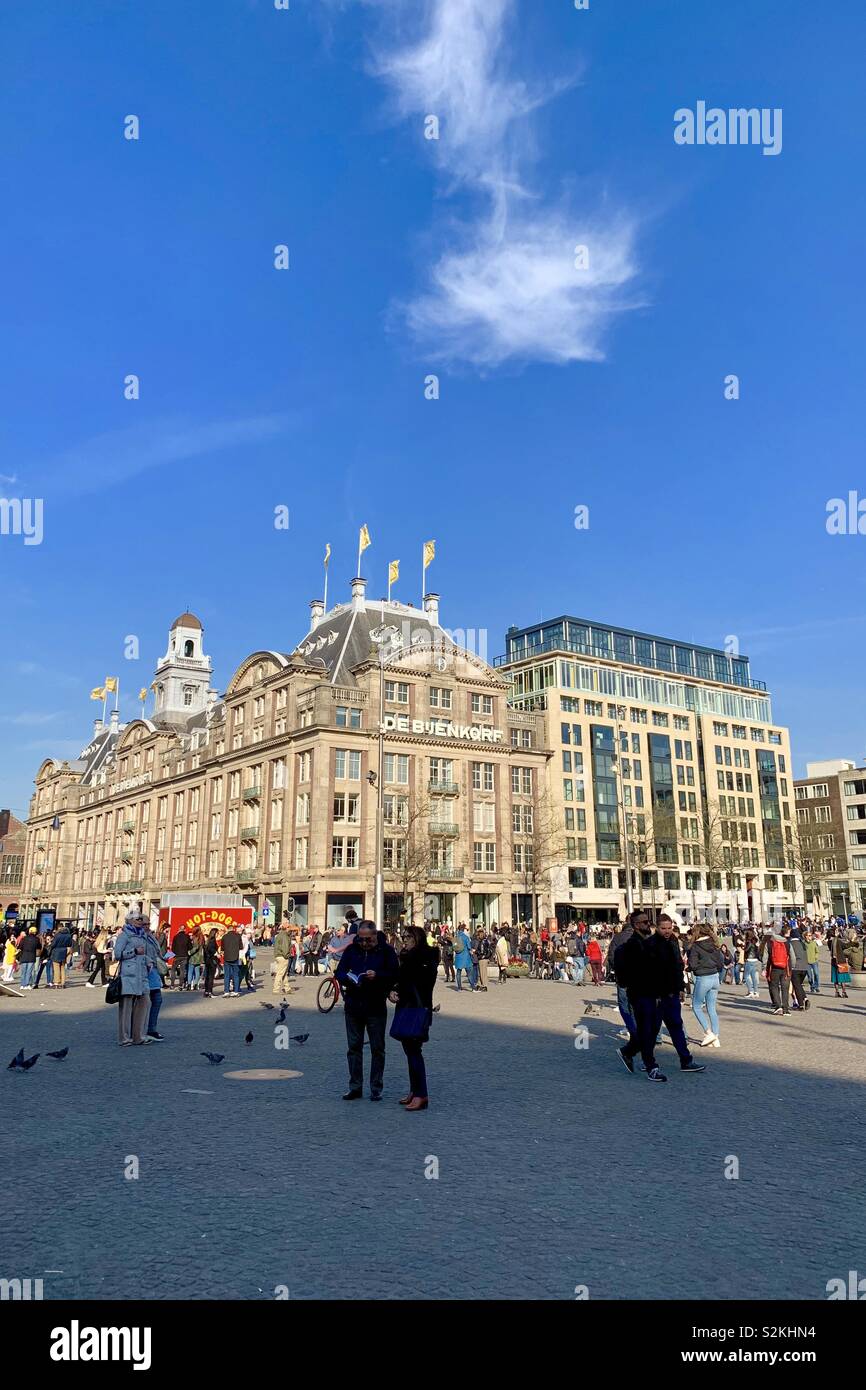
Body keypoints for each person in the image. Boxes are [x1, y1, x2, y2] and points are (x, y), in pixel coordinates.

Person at [615, 912, 705, 1082]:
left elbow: (676, 965)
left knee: (674, 1026)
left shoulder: (669, 941)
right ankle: (648, 1064)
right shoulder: (640, 944)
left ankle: (684, 1060)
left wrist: (679, 987)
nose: (667, 931)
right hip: (649, 994)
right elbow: (648, 972)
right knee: (649, 1030)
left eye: (669, 928)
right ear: (636, 925)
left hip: (665, 993)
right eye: (663, 928)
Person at [334, 920, 399, 1101]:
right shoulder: (351, 949)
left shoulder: (386, 951)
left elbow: (395, 973)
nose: (364, 943)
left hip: (376, 1005)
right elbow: (339, 972)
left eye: (368, 940)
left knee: (378, 1048)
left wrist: (378, 976)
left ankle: (376, 1087)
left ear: (375, 936)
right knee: (353, 1048)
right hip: (353, 1005)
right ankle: (355, 1087)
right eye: (361, 939)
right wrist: (348, 978)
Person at [389, 924, 439, 1112]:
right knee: (409, 1052)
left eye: (408, 936)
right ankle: (414, 1090)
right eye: (403, 936)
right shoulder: (408, 957)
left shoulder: (424, 958)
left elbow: (421, 983)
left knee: (414, 1052)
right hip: (407, 1007)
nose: (405, 940)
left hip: (418, 1008)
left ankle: (422, 1094)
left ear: (417, 938)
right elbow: (401, 981)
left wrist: (407, 962)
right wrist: (393, 990)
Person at [113, 908, 159, 1046]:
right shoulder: (124, 936)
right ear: (130, 921)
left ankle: (139, 1035)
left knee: (145, 1003)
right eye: (138, 919)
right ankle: (124, 1037)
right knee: (126, 1007)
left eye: (141, 919)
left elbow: (143, 953)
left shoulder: (142, 935)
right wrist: (134, 951)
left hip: (142, 973)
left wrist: (148, 960)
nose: (140, 921)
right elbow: (117, 954)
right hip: (129, 974)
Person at [688, 924, 724, 1047]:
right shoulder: (714, 944)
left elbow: (692, 965)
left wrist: (693, 968)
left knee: (696, 1006)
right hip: (715, 977)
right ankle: (716, 1037)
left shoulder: (695, 946)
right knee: (712, 1009)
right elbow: (720, 963)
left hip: (703, 978)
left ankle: (708, 1033)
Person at [608, 914, 639, 1040]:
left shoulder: (618, 937)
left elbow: (611, 956)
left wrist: (617, 969)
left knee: (624, 1004)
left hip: (622, 976)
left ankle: (631, 1028)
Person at [766, 924, 792, 1016]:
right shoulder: (786, 941)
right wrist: (791, 966)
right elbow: (792, 955)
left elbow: (766, 956)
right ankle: (786, 1009)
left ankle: (778, 1006)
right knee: (785, 988)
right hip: (786, 968)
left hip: (774, 968)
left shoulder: (769, 942)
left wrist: (764, 968)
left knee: (774, 987)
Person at [787, 926, 811, 1012]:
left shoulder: (790, 944)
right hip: (804, 967)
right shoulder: (803, 944)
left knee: (796, 986)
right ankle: (805, 999)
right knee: (799, 986)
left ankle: (801, 1005)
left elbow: (790, 956)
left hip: (795, 967)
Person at [50, 921, 73, 989]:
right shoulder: (68, 936)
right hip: (64, 952)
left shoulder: (57, 935)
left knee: (56, 968)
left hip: (56, 952)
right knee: (62, 967)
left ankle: (56, 983)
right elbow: (70, 944)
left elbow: (53, 944)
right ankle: (63, 983)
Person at [221, 924, 242, 997]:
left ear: (227, 929)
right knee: (236, 975)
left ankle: (226, 991)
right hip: (235, 957)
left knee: (227, 975)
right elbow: (241, 947)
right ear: (233, 929)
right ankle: (236, 991)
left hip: (227, 958)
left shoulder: (224, 937)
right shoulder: (238, 936)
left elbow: (222, 949)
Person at [272, 918, 292, 995]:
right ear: (286, 928)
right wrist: (287, 955)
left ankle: (287, 988)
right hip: (282, 956)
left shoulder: (280, 934)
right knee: (280, 973)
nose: (290, 929)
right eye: (289, 927)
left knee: (284, 973)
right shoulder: (284, 936)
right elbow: (285, 947)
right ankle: (276, 989)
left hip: (278, 955)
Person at [453, 923, 475, 991]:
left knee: (458, 972)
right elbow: (469, 947)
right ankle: (473, 987)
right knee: (469, 973)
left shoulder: (455, 937)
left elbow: (453, 947)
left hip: (458, 957)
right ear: (463, 930)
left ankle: (459, 988)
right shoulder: (465, 937)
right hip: (466, 957)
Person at [742, 927, 762, 998]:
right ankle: (756, 992)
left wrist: (742, 945)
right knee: (753, 976)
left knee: (746, 976)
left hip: (749, 959)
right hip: (755, 959)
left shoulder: (749, 942)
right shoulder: (755, 941)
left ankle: (750, 991)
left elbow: (746, 950)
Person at [830, 931, 851, 999]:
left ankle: (837, 992)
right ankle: (844, 992)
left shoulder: (830, 941)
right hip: (840, 960)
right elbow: (846, 946)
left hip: (833, 961)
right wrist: (851, 940)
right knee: (842, 977)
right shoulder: (838, 941)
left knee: (835, 977)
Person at [170, 925, 191, 990]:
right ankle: (180, 985)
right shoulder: (187, 937)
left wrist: (174, 953)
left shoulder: (175, 937)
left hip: (177, 955)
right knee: (182, 971)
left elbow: (173, 948)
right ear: (184, 929)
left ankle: (172, 985)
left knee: (173, 970)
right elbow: (190, 947)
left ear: (179, 929)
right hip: (184, 955)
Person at [203, 928, 219, 998]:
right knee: (211, 977)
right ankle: (210, 992)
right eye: (217, 933)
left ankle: (206, 991)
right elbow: (210, 948)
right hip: (212, 960)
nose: (218, 934)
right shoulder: (212, 940)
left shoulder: (208, 940)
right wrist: (216, 953)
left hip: (207, 960)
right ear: (214, 933)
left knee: (207, 976)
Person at [804, 929, 821, 994]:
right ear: (806, 936)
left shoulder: (814, 943)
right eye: (808, 935)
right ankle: (812, 986)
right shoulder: (804, 944)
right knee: (810, 976)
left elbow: (817, 951)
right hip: (807, 962)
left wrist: (816, 957)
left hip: (814, 961)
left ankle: (816, 986)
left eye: (810, 935)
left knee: (816, 974)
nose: (810, 936)